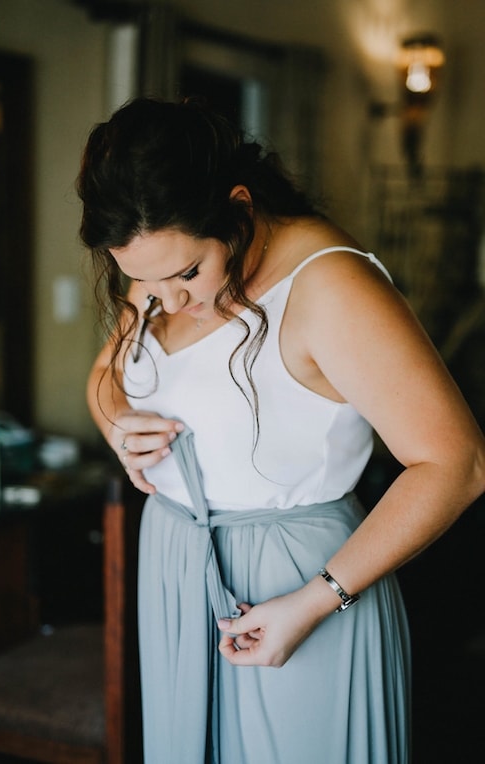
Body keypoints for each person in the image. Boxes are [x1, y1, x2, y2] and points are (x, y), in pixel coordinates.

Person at [78, 96, 485, 763]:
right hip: (174, 574)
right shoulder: (158, 269)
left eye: (188, 273)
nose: (169, 301)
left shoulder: (329, 286)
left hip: (301, 586)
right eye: (144, 284)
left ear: (237, 205)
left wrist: (315, 601)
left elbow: (458, 463)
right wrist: (117, 424)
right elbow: (109, 372)